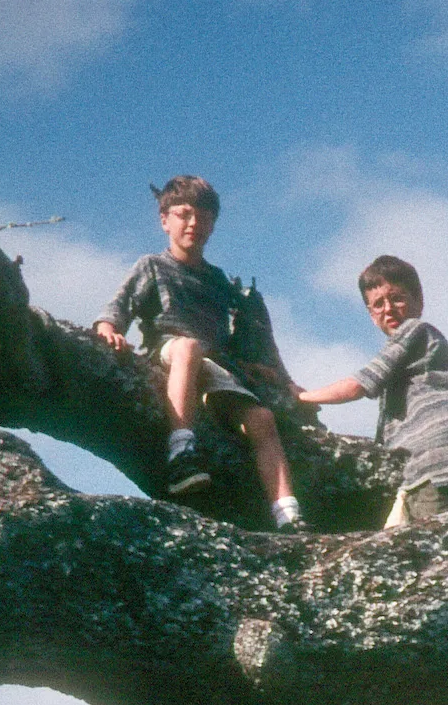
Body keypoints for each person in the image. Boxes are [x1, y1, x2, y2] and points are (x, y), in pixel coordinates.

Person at [94, 175, 304, 531]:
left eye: (204, 217)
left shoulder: (219, 280)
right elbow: (117, 308)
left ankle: (287, 513)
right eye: (184, 214)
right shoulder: (152, 266)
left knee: (262, 419)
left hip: (214, 366)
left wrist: (254, 367)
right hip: (170, 353)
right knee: (188, 347)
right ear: (165, 220)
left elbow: (231, 338)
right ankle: (181, 451)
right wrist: (107, 330)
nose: (194, 224)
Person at [294, 255, 448, 525]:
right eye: (378, 304)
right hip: (433, 471)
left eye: (397, 298)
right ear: (371, 315)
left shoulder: (415, 330)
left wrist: (300, 397)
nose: (388, 309)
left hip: (443, 469)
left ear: (418, 301)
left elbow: (359, 385)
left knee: (440, 554)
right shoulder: (411, 347)